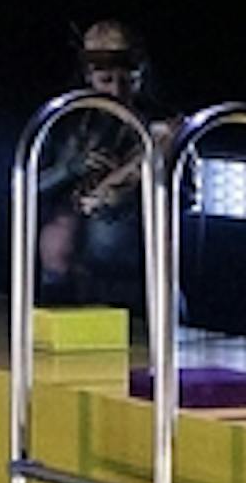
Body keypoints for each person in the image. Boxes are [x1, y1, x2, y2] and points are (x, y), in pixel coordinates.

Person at [36, 19, 161, 308]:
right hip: (68, 278)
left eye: (128, 81)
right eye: (106, 80)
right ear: (88, 77)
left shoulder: (161, 125)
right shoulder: (63, 122)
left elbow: (187, 193)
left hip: (135, 279)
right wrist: (69, 168)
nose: (117, 92)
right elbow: (25, 190)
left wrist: (124, 192)